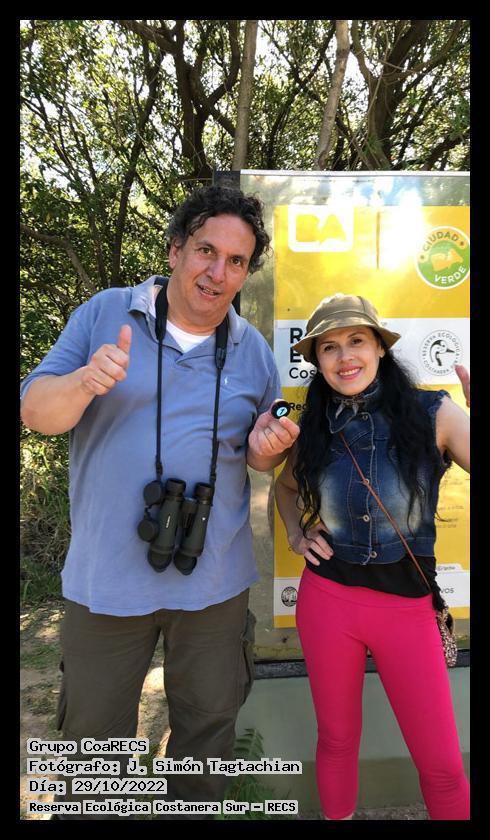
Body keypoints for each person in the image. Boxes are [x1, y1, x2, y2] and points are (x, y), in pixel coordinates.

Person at [21, 185, 299, 820]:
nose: (218, 272)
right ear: (175, 250)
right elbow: (35, 412)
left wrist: (267, 449)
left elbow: (261, 454)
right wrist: (83, 381)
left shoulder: (253, 351)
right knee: (94, 747)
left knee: (208, 733)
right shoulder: (106, 315)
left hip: (214, 580)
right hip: (106, 581)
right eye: (206, 250)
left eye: (236, 261)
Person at [274, 292, 470, 821]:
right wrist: (295, 533)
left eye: (356, 340)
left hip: (407, 610)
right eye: (329, 347)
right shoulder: (315, 426)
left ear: (380, 347)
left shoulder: (434, 413)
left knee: (443, 766)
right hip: (328, 603)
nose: (345, 357)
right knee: (337, 741)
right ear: (318, 361)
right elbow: (285, 488)